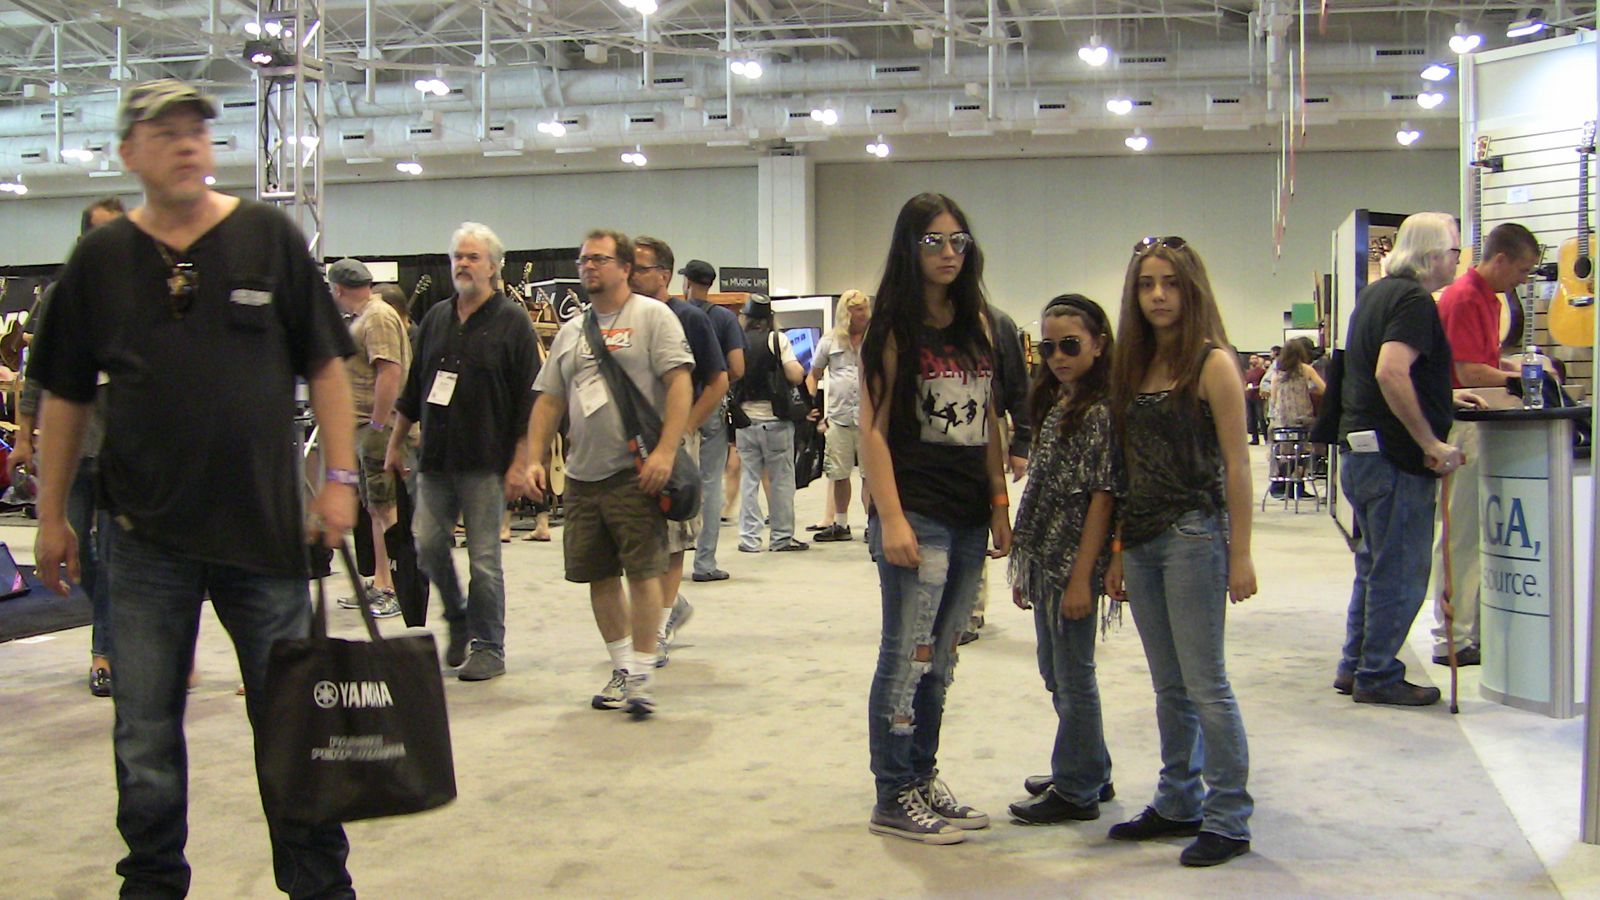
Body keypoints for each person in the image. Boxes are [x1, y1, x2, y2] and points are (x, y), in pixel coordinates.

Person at [29, 78, 359, 897]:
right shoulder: (100, 261)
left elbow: (326, 365)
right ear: (128, 153)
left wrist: (339, 480)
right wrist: (50, 516)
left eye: (197, 130)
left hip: (264, 536)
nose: (186, 143)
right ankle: (152, 885)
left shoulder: (267, 237)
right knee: (143, 735)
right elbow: (65, 395)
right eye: (164, 131)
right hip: (144, 542)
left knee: (292, 728)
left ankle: (319, 886)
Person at [861, 193, 1011, 844]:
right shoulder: (893, 327)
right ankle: (892, 793)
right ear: (910, 248)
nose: (949, 253)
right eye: (933, 242)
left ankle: (922, 778)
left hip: (969, 512)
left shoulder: (979, 323)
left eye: (958, 241)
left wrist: (999, 501)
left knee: (940, 660)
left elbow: (989, 420)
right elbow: (870, 430)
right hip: (916, 512)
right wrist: (892, 517)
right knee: (905, 656)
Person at [1104, 235, 1256, 868]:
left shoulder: (1211, 363)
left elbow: (1238, 465)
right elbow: (1125, 467)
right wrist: (1117, 548)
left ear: (1190, 289)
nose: (1158, 295)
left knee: (1205, 684)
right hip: (1142, 539)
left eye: (1169, 283)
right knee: (1169, 686)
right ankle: (1178, 799)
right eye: (1147, 284)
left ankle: (1229, 816)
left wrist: (1241, 553)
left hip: (1195, 536)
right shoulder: (1132, 367)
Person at [523, 229, 693, 718]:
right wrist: (534, 458)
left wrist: (666, 451)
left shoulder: (653, 317)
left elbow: (680, 384)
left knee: (643, 572)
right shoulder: (572, 332)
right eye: (584, 260)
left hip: (634, 471)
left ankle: (642, 673)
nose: (589, 267)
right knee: (597, 574)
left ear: (624, 268)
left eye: (599, 259)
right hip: (583, 476)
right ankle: (621, 667)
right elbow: (549, 399)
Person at [387, 222, 539, 682]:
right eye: (458, 256)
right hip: (434, 459)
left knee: (484, 561)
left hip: (486, 463)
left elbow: (529, 401)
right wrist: (393, 444)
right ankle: (457, 616)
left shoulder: (512, 321)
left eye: (473, 257)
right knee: (428, 546)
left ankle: (489, 646)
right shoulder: (435, 318)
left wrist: (520, 462)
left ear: (493, 267)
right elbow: (413, 389)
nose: (463, 264)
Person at [1334, 211, 1472, 708]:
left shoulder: (1375, 295)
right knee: (1401, 572)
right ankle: (1377, 673)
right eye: (1454, 251)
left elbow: (1380, 376)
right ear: (1433, 255)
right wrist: (1431, 443)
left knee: (1375, 566)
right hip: (1394, 460)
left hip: (1362, 453)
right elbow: (1392, 373)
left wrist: (1443, 399)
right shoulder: (1414, 301)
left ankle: (1356, 665)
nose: (1457, 260)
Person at [1006, 294, 1120, 825]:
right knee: (1056, 669)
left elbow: (1102, 497)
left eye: (1070, 345)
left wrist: (1080, 579)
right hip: (1047, 557)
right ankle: (1091, 766)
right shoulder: (1060, 402)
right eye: (1048, 347)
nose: (1057, 356)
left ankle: (1077, 790)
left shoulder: (1100, 412)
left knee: (1073, 676)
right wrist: (1027, 561)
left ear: (1099, 345)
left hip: (1075, 562)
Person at [11, 196, 124, 697]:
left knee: (118, 555)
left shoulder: (140, 294)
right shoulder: (62, 296)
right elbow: (37, 373)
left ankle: (106, 652)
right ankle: (116, 633)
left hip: (123, 451)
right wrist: (22, 435)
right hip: (72, 451)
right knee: (78, 555)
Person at [1427, 222, 1541, 668]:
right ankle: (1451, 637)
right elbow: (1468, 371)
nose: (1524, 280)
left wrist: (1513, 367)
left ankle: (1466, 629)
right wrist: (1521, 378)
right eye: (1522, 270)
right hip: (1463, 423)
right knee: (1460, 533)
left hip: (1477, 421)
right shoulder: (1465, 298)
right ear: (1500, 259)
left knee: (1473, 533)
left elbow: (1482, 362)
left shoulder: (1488, 299)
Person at [630, 237, 728, 663]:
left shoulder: (689, 318)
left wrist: (686, 426)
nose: (631, 275)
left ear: (664, 275)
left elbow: (720, 379)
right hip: (628, 442)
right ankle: (667, 608)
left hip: (673, 441)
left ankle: (660, 625)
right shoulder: (622, 317)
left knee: (673, 534)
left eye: (640, 268)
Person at [327, 258, 406, 619]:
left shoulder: (377, 317)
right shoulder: (364, 318)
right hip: (365, 427)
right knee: (375, 508)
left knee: (386, 509)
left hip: (377, 427)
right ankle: (380, 581)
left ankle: (394, 587)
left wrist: (377, 425)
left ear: (338, 289)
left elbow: (390, 372)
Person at [679, 259, 746, 582]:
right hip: (712, 406)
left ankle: (668, 556)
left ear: (687, 283)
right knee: (710, 482)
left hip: (677, 406)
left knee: (673, 477)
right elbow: (738, 368)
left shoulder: (674, 314)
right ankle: (704, 563)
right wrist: (716, 382)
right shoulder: (724, 318)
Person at [733, 294, 809, 553]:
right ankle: (781, 537)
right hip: (775, 420)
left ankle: (749, 539)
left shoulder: (738, 341)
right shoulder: (777, 340)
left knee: (749, 480)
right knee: (781, 481)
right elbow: (795, 374)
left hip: (745, 421)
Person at [806, 290, 869, 542]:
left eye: (865, 309)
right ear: (846, 313)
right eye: (858, 310)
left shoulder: (875, 339)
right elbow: (813, 375)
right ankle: (841, 524)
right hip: (839, 417)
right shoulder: (829, 341)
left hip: (869, 419)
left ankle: (873, 525)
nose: (864, 314)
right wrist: (810, 407)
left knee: (870, 476)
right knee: (839, 474)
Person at [1264, 338, 1326, 498]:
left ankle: (1282, 482)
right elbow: (1324, 389)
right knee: (1309, 445)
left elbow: (1274, 398)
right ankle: (1299, 482)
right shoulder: (1306, 369)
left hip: (1281, 423)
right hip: (1302, 422)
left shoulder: (1277, 373)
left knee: (1285, 449)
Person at [1243, 354, 1267, 444]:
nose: (1253, 360)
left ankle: (1266, 437)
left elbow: (1264, 384)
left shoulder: (1262, 371)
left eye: (1255, 358)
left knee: (1261, 417)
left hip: (1258, 397)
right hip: (1249, 397)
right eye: (1252, 358)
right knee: (1251, 418)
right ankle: (1255, 439)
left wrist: (1255, 388)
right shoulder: (1248, 372)